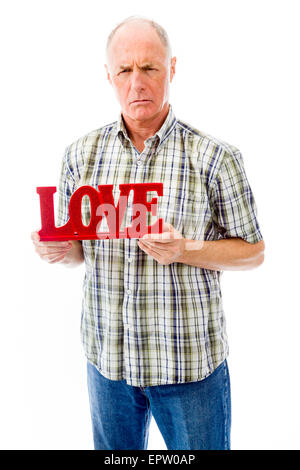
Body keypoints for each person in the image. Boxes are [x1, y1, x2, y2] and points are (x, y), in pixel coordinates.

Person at [31, 15, 265, 450]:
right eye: (124, 70)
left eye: (149, 67)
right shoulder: (80, 156)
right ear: (109, 76)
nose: (136, 82)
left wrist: (185, 249)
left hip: (188, 367)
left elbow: (254, 252)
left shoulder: (215, 157)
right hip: (108, 365)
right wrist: (61, 249)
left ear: (171, 69)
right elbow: (79, 252)